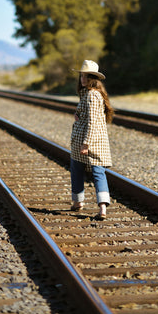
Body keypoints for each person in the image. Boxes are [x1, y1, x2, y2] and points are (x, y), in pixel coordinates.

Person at [70, 60, 114, 220]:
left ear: (93, 78)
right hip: (85, 141)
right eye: (81, 75)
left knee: (95, 172)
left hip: (90, 142)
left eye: (86, 76)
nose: (82, 78)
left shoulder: (92, 95)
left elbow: (93, 121)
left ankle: (101, 208)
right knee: (82, 169)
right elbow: (88, 117)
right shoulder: (88, 94)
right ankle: (79, 203)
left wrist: (86, 143)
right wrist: (78, 116)